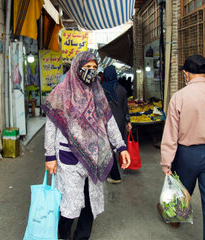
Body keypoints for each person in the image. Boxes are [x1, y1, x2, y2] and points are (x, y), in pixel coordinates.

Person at [42, 51, 131, 240]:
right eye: (86, 67)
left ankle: (81, 237)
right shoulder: (61, 92)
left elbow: (110, 122)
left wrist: (121, 147)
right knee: (70, 204)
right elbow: (51, 126)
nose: (90, 71)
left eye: (93, 67)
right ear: (76, 67)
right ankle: (63, 234)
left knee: (90, 202)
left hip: (94, 158)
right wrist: (50, 156)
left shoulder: (98, 92)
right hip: (68, 158)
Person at [159, 54, 205, 239]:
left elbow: (171, 133)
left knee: (180, 194)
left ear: (185, 73)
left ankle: (175, 220)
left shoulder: (179, 97)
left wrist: (166, 162)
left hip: (187, 155)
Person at [102, 65, 132, 184]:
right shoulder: (122, 89)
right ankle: (115, 170)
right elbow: (125, 108)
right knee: (116, 144)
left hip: (106, 121)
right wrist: (128, 121)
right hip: (119, 120)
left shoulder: (101, 89)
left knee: (108, 146)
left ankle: (115, 175)